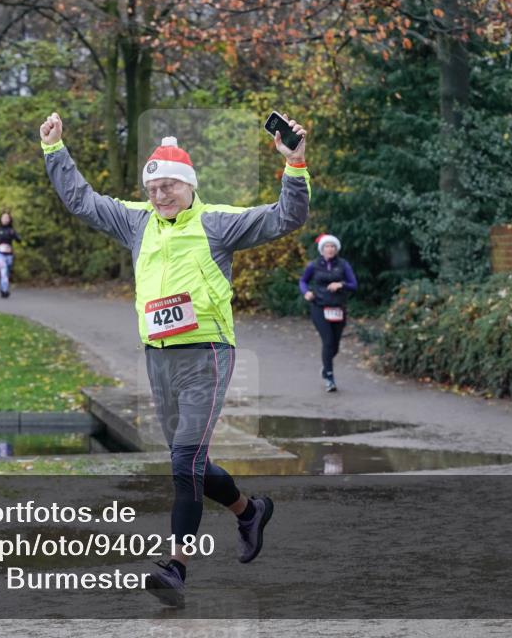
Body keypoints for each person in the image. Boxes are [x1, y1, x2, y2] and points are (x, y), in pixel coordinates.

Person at [39, 111, 311, 607]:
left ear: (189, 187)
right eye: (154, 187)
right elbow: (82, 200)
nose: (161, 195)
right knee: (192, 463)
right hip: (158, 360)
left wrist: (295, 166)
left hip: (207, 355)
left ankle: (176, 567)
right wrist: (55, 151)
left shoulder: (217, 224)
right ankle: (250, 512)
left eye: (170, 186)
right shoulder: (137, 222)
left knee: (184, 460)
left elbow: (285, 218)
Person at [299, 234, 357, 392]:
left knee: (335, 346)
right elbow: (303, 281)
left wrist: (341, 284)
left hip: (338, 308)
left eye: (332, 246)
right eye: (327, 246)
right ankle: (329, 378)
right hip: (319, 307)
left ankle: (326, 367)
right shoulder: (314, 265)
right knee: (328, 340)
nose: (330, 249)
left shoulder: (343, 265)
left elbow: (354, 284)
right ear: (322, 249)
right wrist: (306, 293)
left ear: (336, 249)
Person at [0, 211, 22, 298]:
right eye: (3, 218)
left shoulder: (11, 231)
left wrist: (16, 237)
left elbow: (19, 240)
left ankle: (2, 288)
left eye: (7, 218)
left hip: (9, 255)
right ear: (0, 219)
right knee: (3, 271)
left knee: (6, 273)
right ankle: (5, 291)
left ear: (10, 219)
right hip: (0, 254)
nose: (5, 220)